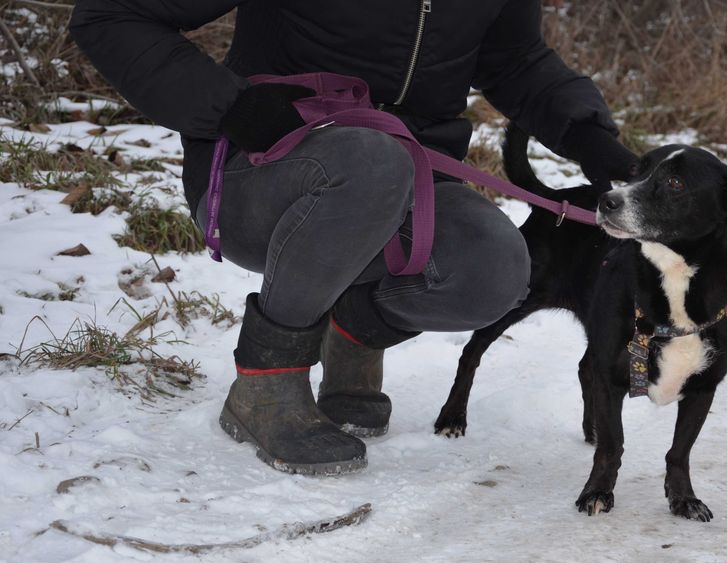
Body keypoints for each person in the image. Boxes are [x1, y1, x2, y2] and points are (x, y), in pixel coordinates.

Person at [69, 1, 638, 476]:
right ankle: (265, 388)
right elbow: (111, 15)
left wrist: (586, 134)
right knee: (371, 163)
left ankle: (352, 332)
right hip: (262, 172)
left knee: (495, 270)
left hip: (408, 174)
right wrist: (232, 105)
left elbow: (516, 61)